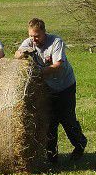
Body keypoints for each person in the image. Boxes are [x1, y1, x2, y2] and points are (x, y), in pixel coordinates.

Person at [15, 18, 87, 163]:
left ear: (44, 32)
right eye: (31, 36)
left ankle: (80, 144)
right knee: (49, 121)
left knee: (67, 119)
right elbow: (16, 54)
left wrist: (38, 73)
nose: (34, 39)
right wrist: (22, 54)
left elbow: (58, 65)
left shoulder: (55, 42)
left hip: (65, 85)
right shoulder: (30, 42)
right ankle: (51, 156)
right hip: (47, 87)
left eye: (37, 36)